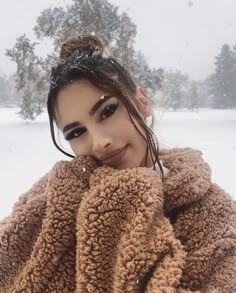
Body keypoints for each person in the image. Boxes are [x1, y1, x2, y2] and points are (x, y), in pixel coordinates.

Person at [0, 34, 235, 293]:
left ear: (142, 101)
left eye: (108, 111)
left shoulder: (215, 216)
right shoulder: (47, 198)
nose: (99, 142)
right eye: (76, 133)